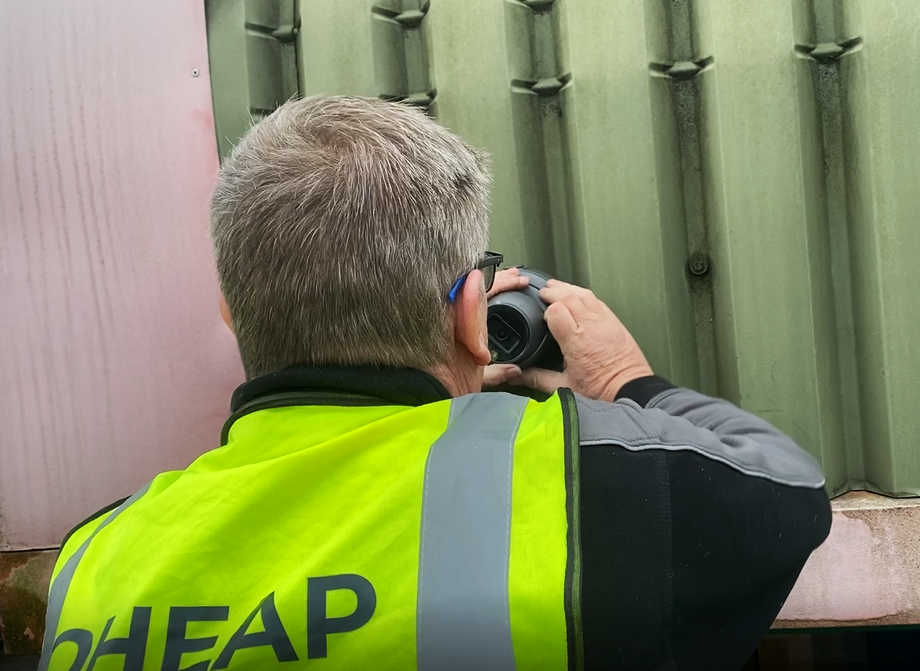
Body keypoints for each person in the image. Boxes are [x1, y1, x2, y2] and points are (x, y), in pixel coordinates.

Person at [40, 96, 831, 671]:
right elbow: (789, 489)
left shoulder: (94, 558)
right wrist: (629, 379)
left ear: (231, 309)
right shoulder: (585, 486)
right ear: (469, 312)